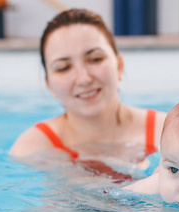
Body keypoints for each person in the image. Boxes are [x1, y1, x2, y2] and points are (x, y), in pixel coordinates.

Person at [10, 9, 166, 179]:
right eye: (63, 68)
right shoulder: (32, 148)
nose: (83, 79)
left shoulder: (167, 132)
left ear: (119, 66)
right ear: (50, 85)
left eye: (95, 59)